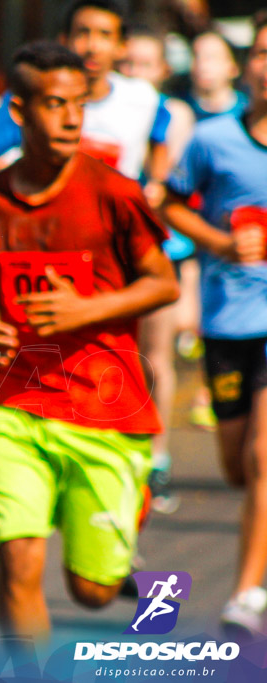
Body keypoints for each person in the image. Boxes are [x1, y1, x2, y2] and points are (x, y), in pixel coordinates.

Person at [0, 41, 179, 638]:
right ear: (19, 111)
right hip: (18, 403)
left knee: (91, 592)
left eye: (79, 104)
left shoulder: (114, 191)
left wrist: (88, 308)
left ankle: (142, 572)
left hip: (106, 408)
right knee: (20, 568)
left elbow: (164, 284)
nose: (72, 118)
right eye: (55, 104)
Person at [161, 12, 267, 637]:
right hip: (228, 320)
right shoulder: (212, 138)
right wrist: (220, 244)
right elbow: (171, 201)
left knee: (261, 457)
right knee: (235, 465)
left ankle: (248, 589)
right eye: (259, 51)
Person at [121, 26, 200, 513]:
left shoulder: (169, 115)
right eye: (128, 64)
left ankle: (159, 458)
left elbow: (172, 183)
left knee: (156, 356)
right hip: (111, 253)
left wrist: (154, 186)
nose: (135, 74)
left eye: (145, 65)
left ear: (162, 71)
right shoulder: (103, 111)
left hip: (159, 248)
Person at [0, 0, 171, 188]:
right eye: (83, 33)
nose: (93, 47)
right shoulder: (30, 95)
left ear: (122, 46)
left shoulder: (146, 100)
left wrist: (156, 186)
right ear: (64, 40)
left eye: (105, 35)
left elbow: (160, 167)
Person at [184, 30, 248, 122]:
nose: (202, 66)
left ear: (234, 68)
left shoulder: (249, 109)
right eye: (195, 56)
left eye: (211, 57)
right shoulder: (176, 111)